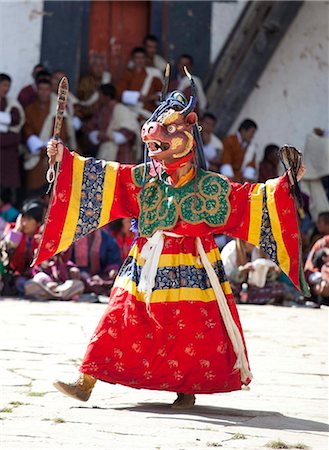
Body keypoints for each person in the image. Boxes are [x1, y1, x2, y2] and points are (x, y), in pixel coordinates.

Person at [37, 79, 307, 409]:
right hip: (145, 260)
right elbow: (102, 175)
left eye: (170, 129)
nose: (156, 140)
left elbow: (252, 200)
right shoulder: (144, 177)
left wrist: (286, 183)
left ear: (188, 134)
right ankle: (87, 380)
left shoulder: (210, 185)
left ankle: (187, 389)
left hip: (194, 264)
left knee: (192, 328)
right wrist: (63, 159)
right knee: (119, 316)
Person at [22, 77, 70, 196]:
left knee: (53, 191)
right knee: (34, 188)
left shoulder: (57, 109)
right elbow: (27, 129)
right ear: (37, 90)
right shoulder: (29, 109)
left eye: (46, 89)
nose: (43, 93)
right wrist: (38, 145)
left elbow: (62, 129)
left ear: (50, 90)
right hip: (36, 153)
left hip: (53, 152)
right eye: (41, 89)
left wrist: (52, 145)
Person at [221, 238, 301, 305]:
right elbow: (225, 275)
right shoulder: (231, 249)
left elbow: (263, 276)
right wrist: (242, 270)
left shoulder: (256, 250)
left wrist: (269, 271)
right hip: (236, 287)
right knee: (230, 289)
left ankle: (250, 299)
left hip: (251, 287)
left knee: (276, 286)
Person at [0, 199, 45, 296]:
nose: (24, 223)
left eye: (29, 219)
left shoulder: (43, 235)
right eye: (23, 218)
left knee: (41, 278)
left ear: (38, 223)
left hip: (37, 274)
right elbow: (6, 252)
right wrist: (16, 231)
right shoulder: (13, 230)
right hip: (17, 276)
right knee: (20, 283)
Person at [85, 84, 139, 163]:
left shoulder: (122, 110)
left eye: (100, 95)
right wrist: (96, 134)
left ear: (107, 97)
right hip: (104, 151)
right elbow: (91, 127)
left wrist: (110, 136)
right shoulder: (101, 110)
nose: (98, 98)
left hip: (120, 153)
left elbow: (129, 130)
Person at [65, 228, 122, 297]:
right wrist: (72, 267)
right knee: (82, 281)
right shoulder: (74, 236)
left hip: (100, 274)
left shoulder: (105, 237)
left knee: (111, 281)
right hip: (80, 274)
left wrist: (112, 268)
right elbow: (66, 257)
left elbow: (113, 256)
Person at [116, 47, 163, 121]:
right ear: (133, 59)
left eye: (142, 58)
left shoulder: (153, 75)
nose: (140, 60)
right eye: (137, 58)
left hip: (148, 113)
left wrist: (155, 97)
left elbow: (162, 93)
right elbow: (119, 93)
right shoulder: (127, 75)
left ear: (146, 59)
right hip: (131, 111)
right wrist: (137, 97)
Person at [0, 73, 25, 204]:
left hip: (7, 158)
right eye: (4, 85)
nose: (6, 89)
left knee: (6, 196)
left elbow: (16, 121)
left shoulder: (11, 104)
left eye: (8, 86)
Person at [76, 53, 112, 123]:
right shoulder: (85, 80)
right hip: (86, 114)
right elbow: (81, 97)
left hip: (103, 116)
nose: (99, 68)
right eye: (96, 65)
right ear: (91, 67)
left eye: (101, 66)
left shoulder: (108, 79)